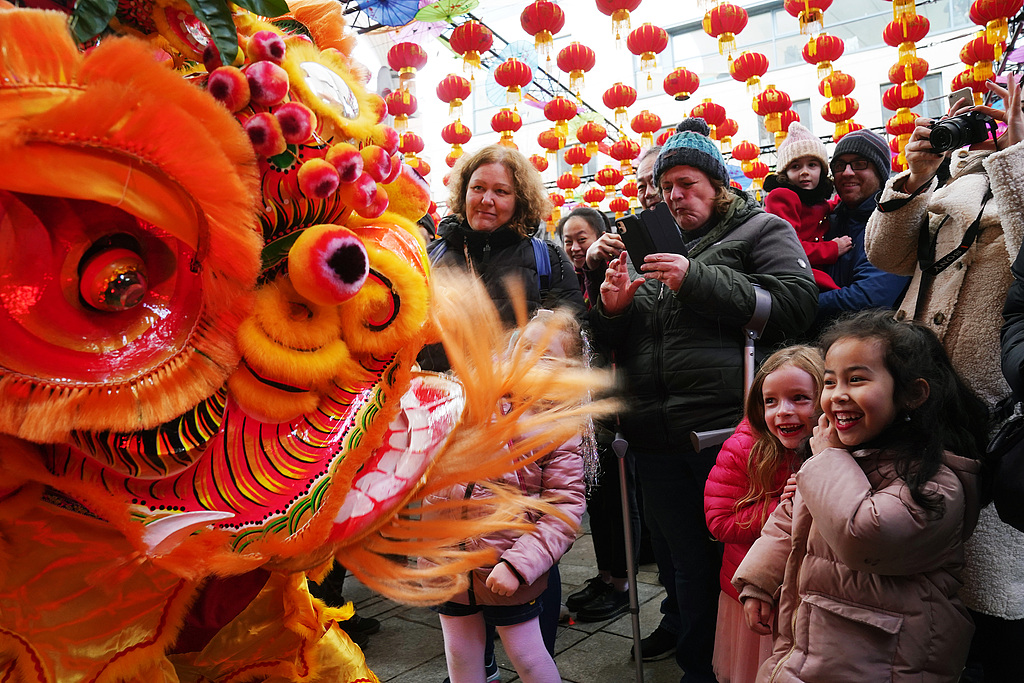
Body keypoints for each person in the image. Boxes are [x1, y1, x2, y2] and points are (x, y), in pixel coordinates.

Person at [591, 118, 818, 682]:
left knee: (739, 559)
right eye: (666, 187)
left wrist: (695, 279)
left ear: (717, 185)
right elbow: (625, 343)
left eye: (687, 183)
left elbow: (794, 308)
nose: (674, 196)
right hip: (652, 434)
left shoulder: (761, 230)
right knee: (681, 566)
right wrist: (613, 310)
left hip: (725, 433)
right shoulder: (649, 246)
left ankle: (747, 665)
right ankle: (700, 667)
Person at [864, 75, 1024, 682]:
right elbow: (884, 255)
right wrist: (915, 176)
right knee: (931, 552)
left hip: (997, 390)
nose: (969, 123)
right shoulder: (950, 183)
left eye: (987, 113)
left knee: (996, 566)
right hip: (923, 385)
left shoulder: (1015, 170)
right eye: (956, 112)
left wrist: (1016, 151)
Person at [733, 310, 988, 682]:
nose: (837, 396)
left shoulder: (936, 480)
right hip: (813, 642)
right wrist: (758, 581)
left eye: (855, 380)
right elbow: (789, 519)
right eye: (830, 382)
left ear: (913, 393)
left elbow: (866, 536)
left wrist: (828, 458)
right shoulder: (836, 457)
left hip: (887, 657)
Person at [427, 309, 588, 683]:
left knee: (527, 656)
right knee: (460, 652)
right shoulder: (471, 394)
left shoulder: (559, 427)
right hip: (446, 556)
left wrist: (518, 565)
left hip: (507, 563)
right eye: (526, 348)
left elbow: (563, 510)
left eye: (547, 357)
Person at [703, 345, 824, 683]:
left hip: (811, 596)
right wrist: (782, 507)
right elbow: (719, 520)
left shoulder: (840, 446)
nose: (782, 411)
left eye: (799, 398)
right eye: (770, 401)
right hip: (756, 595)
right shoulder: (746, 446)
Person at [554, 207, 640, 623]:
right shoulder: (566, 281)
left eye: (582, 237)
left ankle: (623, 583)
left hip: (613, 407)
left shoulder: (614, 274)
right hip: (583, 408)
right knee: (598, 497)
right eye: (567, 240)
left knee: (618, 498)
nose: (574, 246)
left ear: (602, 236)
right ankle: (607, 575)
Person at [425, 144, 584, 329]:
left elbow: (578, 334)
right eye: (478, 188)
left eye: (501, 191)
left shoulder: (548, 260)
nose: (486, 200)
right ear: (464, 192)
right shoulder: (430, 258)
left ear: (520, 200)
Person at [813, 128, 909, 333]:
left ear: (880, 172)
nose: (847, 172)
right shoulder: (829, 221)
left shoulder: (894, 222)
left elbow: (870, 297)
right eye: (840, 165)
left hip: (871, 345)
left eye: (859, 164)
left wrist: (797, 304)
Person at [763, 121, 848, 292]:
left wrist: (844, 198)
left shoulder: (815, 200)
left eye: (812, 165)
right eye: (796, 166)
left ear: (822, 171)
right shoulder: (783, 197)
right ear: (785, 173)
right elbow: (787, 247)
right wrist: (832, 248)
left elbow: (822, 208)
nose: (804, 172)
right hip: (792, 271)